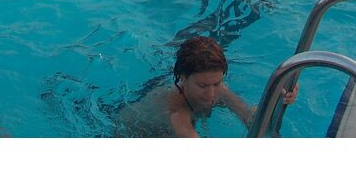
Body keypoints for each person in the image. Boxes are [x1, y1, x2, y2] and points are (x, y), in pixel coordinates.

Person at [116, 35, 297, 137]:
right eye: (203, 85)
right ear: (183, 78)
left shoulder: (218, 90)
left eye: (216, 83)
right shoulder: (177, 111)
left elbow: (250, 118)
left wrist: (278, 99)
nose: (211, 94)